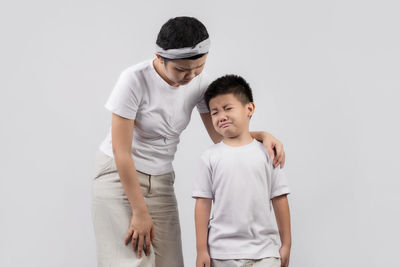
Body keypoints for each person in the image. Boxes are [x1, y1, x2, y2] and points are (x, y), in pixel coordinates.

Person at [92, 17, 286, 267]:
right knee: (132, 261)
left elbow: (222, 136)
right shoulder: (134, 80)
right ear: (160, 58)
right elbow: (121, 152)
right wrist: (139, 212)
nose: (190, 76)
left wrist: (262, 135)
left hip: (161, 179)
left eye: (199, 67)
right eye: (182, 70)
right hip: (118, 177)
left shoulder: (199, 83)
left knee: (171, 262)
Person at [193, 75, 291, 267]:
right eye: (214, 112)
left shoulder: (268, 153)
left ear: (249, 109)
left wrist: (287, 243)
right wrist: (201, 250)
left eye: (228, 108)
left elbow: (279, 198)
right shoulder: (209, 157)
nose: (221, 116)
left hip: (265, 252)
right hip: (222, 253)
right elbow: (202, 204)